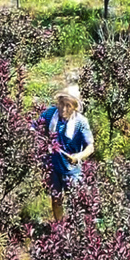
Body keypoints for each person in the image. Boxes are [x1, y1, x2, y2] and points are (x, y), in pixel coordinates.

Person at [37, 85, 94, 221]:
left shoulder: (81, 122)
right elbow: (34, 127)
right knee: (56, 198)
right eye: (62, 104)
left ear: (74, 107)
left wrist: (78, 156)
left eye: (68, 105)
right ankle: (59, 227)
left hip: (72, 170)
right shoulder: (50, 114)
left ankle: (80, 228)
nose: (63, 109)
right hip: (53, 165)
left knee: (76, 200)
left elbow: (90, 147)